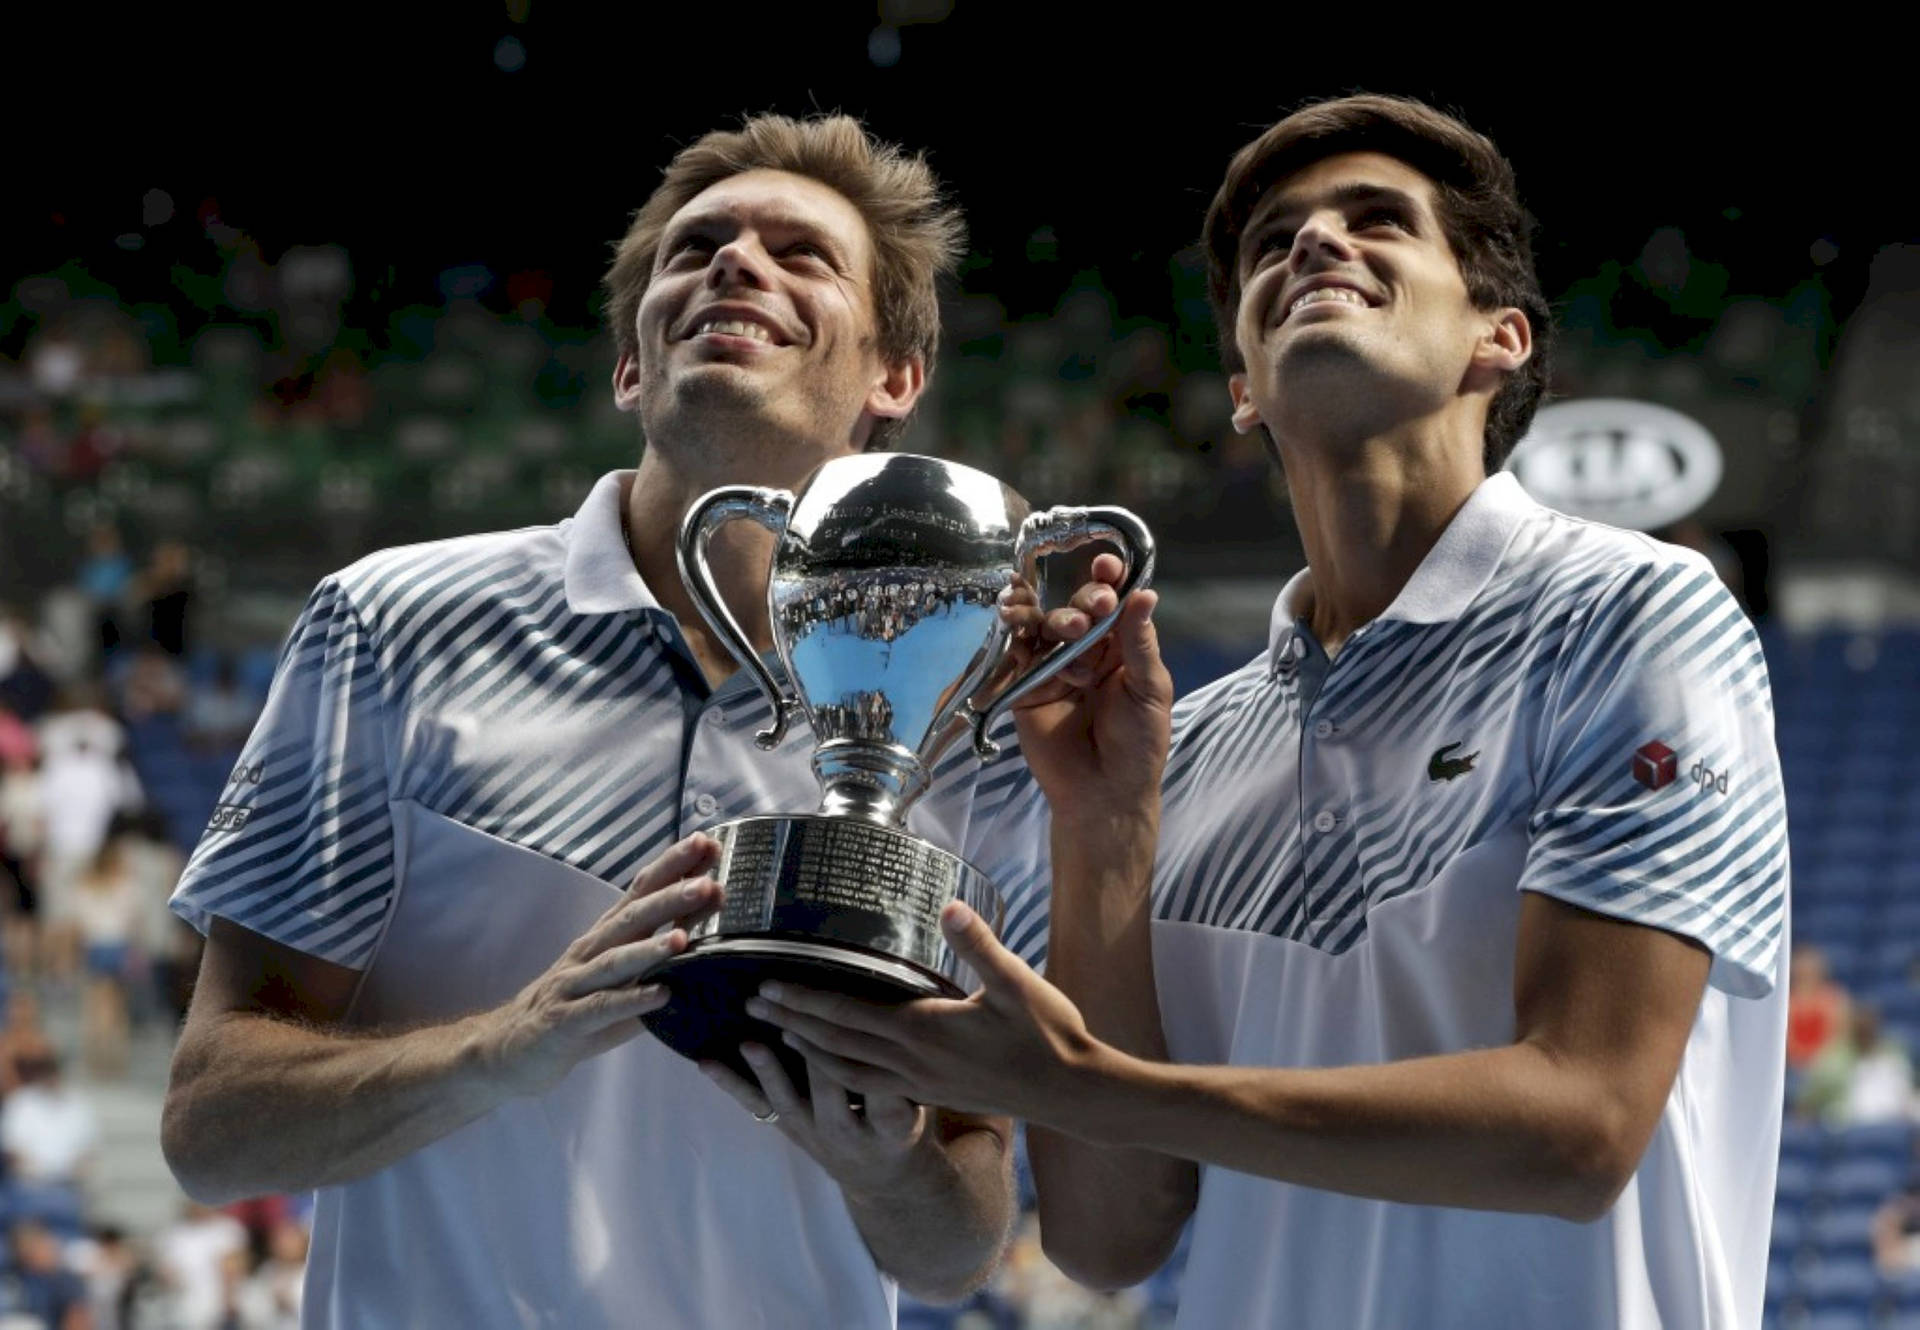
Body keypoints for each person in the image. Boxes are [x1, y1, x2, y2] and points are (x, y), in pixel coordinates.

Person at [751, 94, 1790, 1329]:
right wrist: (1103, 825)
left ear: (1499, 336)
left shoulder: (1625, 610)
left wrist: (1091, 1080)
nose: (1313, 244)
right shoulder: (1186, 750)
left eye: (1377, 221)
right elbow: (1104, 1235)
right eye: (1274, 241)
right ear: (1242, 388)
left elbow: (1579, 1129)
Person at [160, 113, 1052, 1328]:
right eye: (697, 248)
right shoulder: (393, 624)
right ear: (632, 364)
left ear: (894, 380)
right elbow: (212, 1131)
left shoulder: (960, 702)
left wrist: (883, 1165)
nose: (736, 264)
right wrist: (502, 1047)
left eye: (804, 255)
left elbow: (956, 1244)